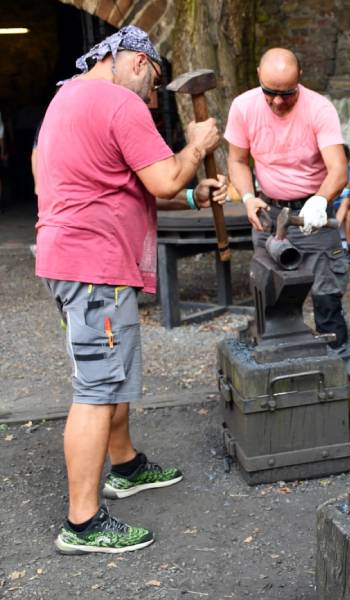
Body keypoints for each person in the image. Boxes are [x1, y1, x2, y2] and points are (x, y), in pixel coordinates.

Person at [34, 26, 225, 555]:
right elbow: (162, 177)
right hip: (94, 265)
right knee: (95, 390)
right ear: (138, 62)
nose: (150, 95)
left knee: (107, 373)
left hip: (69, 257)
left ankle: (126, 465)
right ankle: (83, 522)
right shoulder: (121, 104)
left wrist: (191, 194)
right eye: (154, 82)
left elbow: (128, 182)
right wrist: (196, 146)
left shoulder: (66, 99)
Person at [226, 48, 350, 378]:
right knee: (271, 302)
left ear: (300, 79)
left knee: (327, 303)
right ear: (258, 76)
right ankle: (279, 378)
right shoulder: (244, 107)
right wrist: (248, 197)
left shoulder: (319, 109)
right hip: (268, 214)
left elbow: (338, 169)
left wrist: (320, 200)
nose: (278, 102)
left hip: (312, 217)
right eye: (270, 93)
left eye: (287, 93)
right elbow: (238, 160)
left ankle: (339, 377)